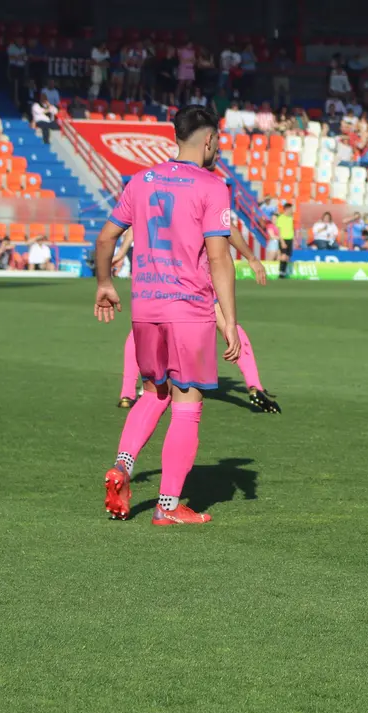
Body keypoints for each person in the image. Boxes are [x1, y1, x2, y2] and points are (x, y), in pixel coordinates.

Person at [92, 106, 238, 525]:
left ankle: (122, 465)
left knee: (153, 392)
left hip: (145, 307)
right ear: (208, 140)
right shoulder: (213, 186)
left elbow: (105, 238)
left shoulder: (140, 181)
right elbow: (219, 257)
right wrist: (229, 319)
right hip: (188, 309)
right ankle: (168, 507)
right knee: (187, 402)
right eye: (217, 141)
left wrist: (104, 284)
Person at [111, 225, 281, 414]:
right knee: (228, 326)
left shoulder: (154, 205)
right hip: (194, 276)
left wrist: (122, 251)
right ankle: (254, 385)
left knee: (142, 332)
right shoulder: (200, 205)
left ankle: (127, 393)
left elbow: (134, 225)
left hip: (160, 276)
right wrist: (251, 258)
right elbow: (226, 227)